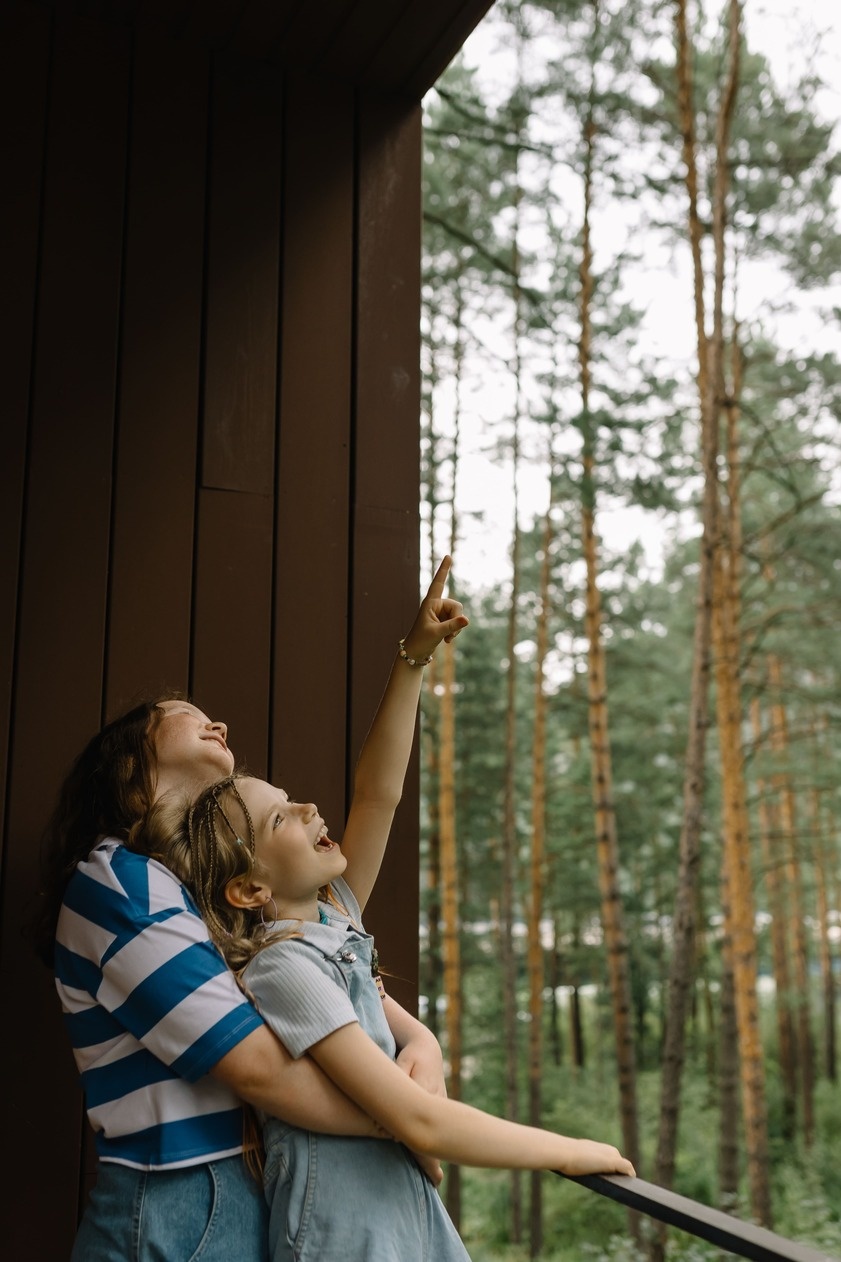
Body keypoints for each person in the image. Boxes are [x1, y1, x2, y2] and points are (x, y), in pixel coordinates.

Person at [149, 559, 636, 1262]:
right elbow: (418, 1120)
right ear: (249, 890)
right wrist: (568, 1151)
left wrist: (413, 659)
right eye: (283, 817)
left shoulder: (333, 919)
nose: (312, 808)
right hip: (342, 1231)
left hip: (402, 1207)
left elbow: (377, 794)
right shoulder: (282, 969)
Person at [31, 558, 463, 1262]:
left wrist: (421, 1044)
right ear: (131, 778)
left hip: (250, 1193)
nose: (217, 722)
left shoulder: (219, 903)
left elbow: (374, 805)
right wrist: (412, 1122)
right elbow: (260, 1069)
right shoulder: (116, 880)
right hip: (174, 1201)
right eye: (185, 719)